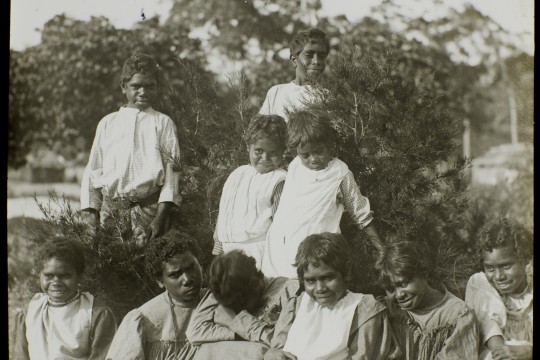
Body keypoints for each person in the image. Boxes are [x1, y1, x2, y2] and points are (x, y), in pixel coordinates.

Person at [261, 108, 382, 278]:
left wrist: (381, 251)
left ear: (329, 144)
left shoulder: (340, 173)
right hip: (279, 252)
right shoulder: (295, 166)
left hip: (317, 255)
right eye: (305, 155)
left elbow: (360, 214)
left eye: (319, 151)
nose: (313, 159)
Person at [80, 52, 181, 245]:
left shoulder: (163, 123)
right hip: (112, 210)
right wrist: (92, 214)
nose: (143, 92)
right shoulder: (108, 123)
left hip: (149, 210)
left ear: (157, 87)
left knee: (147, 266)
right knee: (113, 265)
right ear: (123, 87)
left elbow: (172, 175)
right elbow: (93, 170)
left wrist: (160, 218)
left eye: (149, 86)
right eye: (136, 86)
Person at [265, 232, 399, 360]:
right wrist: (272, 353)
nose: (320, 288)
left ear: (346, 273)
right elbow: (277, 348)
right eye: (311, 280)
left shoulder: (364, 310)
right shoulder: (297, 305)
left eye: (328, 277)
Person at [12, 236, 117, 360]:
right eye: (49, 276)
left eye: (65, 276)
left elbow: (102, 356)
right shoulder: (30, 312)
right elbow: (20, 355)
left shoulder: (96, 313)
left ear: (79, 277)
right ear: (39, 275)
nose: (56, 282)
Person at [106, 229, 204, 360]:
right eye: (175, 274)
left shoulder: (219, 301)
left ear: (200, 265)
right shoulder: (145, 319)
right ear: (160, 281)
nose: (187, 279)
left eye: (191, 267)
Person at [375, 239, 480, 360]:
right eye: (390, 288)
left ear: (423, 274)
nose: (399, 295)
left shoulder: (457, 316)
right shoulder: (387, 310)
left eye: (404, 284)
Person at [186, 250, 299, 360]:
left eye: (240, 304)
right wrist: (238, 333)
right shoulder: (230, 294)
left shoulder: (288, 289)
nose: (238, 309)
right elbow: (194, 332)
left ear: (255, 284)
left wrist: (237, 321)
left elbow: (281, 346)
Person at [211, 114, 288, 268]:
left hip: (259, 255)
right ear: (248, 147)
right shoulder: (238, 174)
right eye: (258, 151)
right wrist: (217, 252)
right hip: (227, 252)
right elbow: (224, 215)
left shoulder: (280, 180)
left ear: (283, 152)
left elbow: (281, 225)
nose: (265, 158)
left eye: (272, 153)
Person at [465, 218, 533, 360]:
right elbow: (486, 323)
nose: (499, 276)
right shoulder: (481, 285)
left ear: (526, 259)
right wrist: (501, 352)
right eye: (490, 268)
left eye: (506, 266)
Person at [259, 27, 329, 122]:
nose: (316, 61)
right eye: (309, 55)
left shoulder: (327, 97)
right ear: (294, 60)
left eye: (322, 56)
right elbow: (261, 131)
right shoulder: (276, 92)